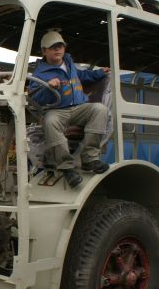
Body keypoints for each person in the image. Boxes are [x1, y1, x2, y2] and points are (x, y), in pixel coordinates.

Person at [29, 30, 110, 189]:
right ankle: (66, 167)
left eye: (60, 46)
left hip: (79, 107)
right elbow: (35, 97)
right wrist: (47, 87)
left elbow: (82, 75)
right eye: (53, 47)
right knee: (50, 121)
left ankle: (90, 158)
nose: (58, 50)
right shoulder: (40, 72)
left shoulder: (68, 62)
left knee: (100, 109)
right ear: (44, 51)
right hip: (58, 110)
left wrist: (99, 73)